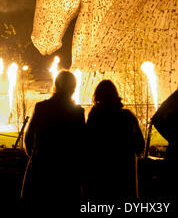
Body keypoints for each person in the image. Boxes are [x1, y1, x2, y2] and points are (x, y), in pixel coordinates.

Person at [21, 69, 85, 209]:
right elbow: (81, 145)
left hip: (42, 170)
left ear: (56, 85)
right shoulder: (78, 113)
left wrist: (34, 157)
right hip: (67, 174)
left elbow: (29, 137)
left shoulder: (41, 108)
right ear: (73, 88)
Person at [86, 80, 145, 201]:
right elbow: (140, 145)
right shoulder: (127, 116)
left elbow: (88, 144)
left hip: (101, 176)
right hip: (124, 175)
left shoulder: (95, 117)